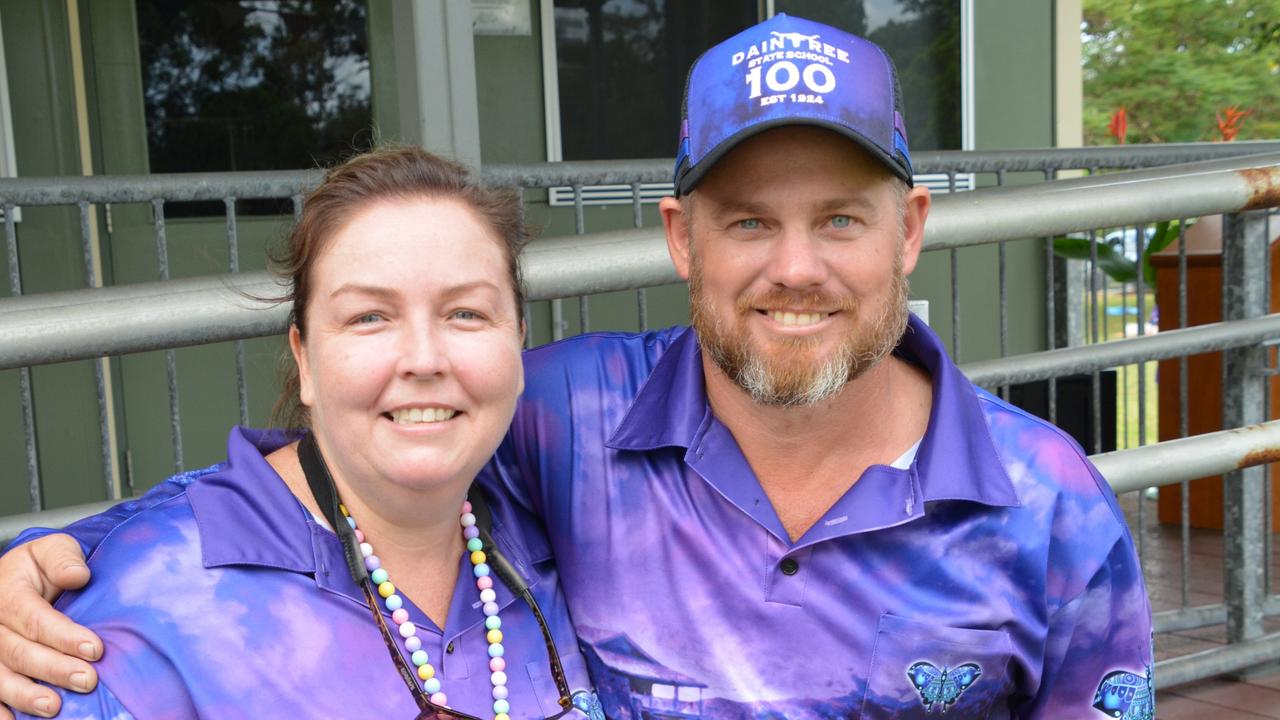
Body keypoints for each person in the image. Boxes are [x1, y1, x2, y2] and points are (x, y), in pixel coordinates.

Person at [0, 14, 1153, 719]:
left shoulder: (1044, 499)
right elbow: (322, 480)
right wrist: (44, 566)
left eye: (840, 221)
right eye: (747, 221)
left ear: (907, 230)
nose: (795, 268)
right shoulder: (560, 415)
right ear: (677, 238)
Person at [1, 147, 601, 719]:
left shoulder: (569, 534)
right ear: (306, 359)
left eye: (465, 313)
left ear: (518, 341)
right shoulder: (142, 608)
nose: (424, 358)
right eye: (369, 317)